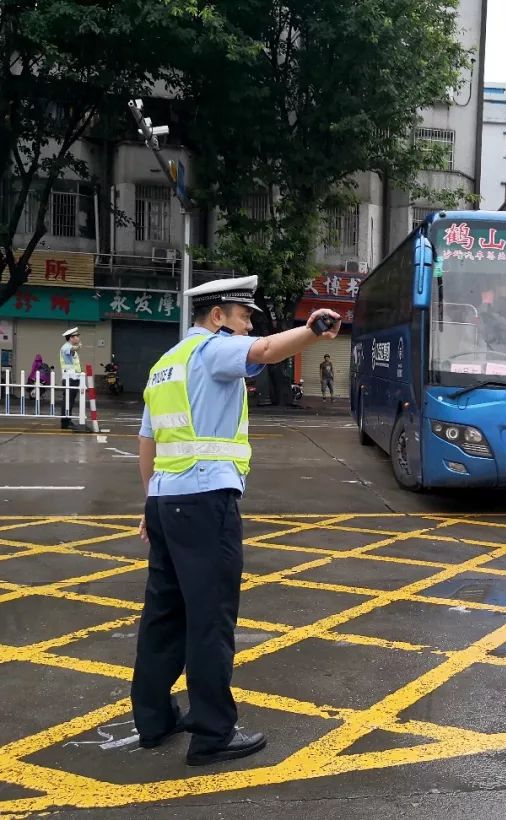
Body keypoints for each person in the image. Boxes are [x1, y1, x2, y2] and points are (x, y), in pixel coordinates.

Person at [131, 275, 340, 767]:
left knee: (163, 618)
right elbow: (265, 351)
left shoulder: (165, 364)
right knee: (210, 620)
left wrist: (150, 504)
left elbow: (147, 442)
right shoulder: (213, 350)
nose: (248, 326)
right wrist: (311, 329)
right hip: (205, 504)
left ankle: (155, 720)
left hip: (166, 503)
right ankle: (212, 734)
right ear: (217, 315)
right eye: (242, 315)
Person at [59, 327, 82, 430]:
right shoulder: (66, 347)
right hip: (69, 377)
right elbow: (72, 349)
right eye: (76, 336)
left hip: (73, 377)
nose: (78, 338)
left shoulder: (70, 347)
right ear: (71, 338)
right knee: (68, 400)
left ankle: (67, 420)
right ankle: (65, 422)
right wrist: (78, 346)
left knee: (70, 400)